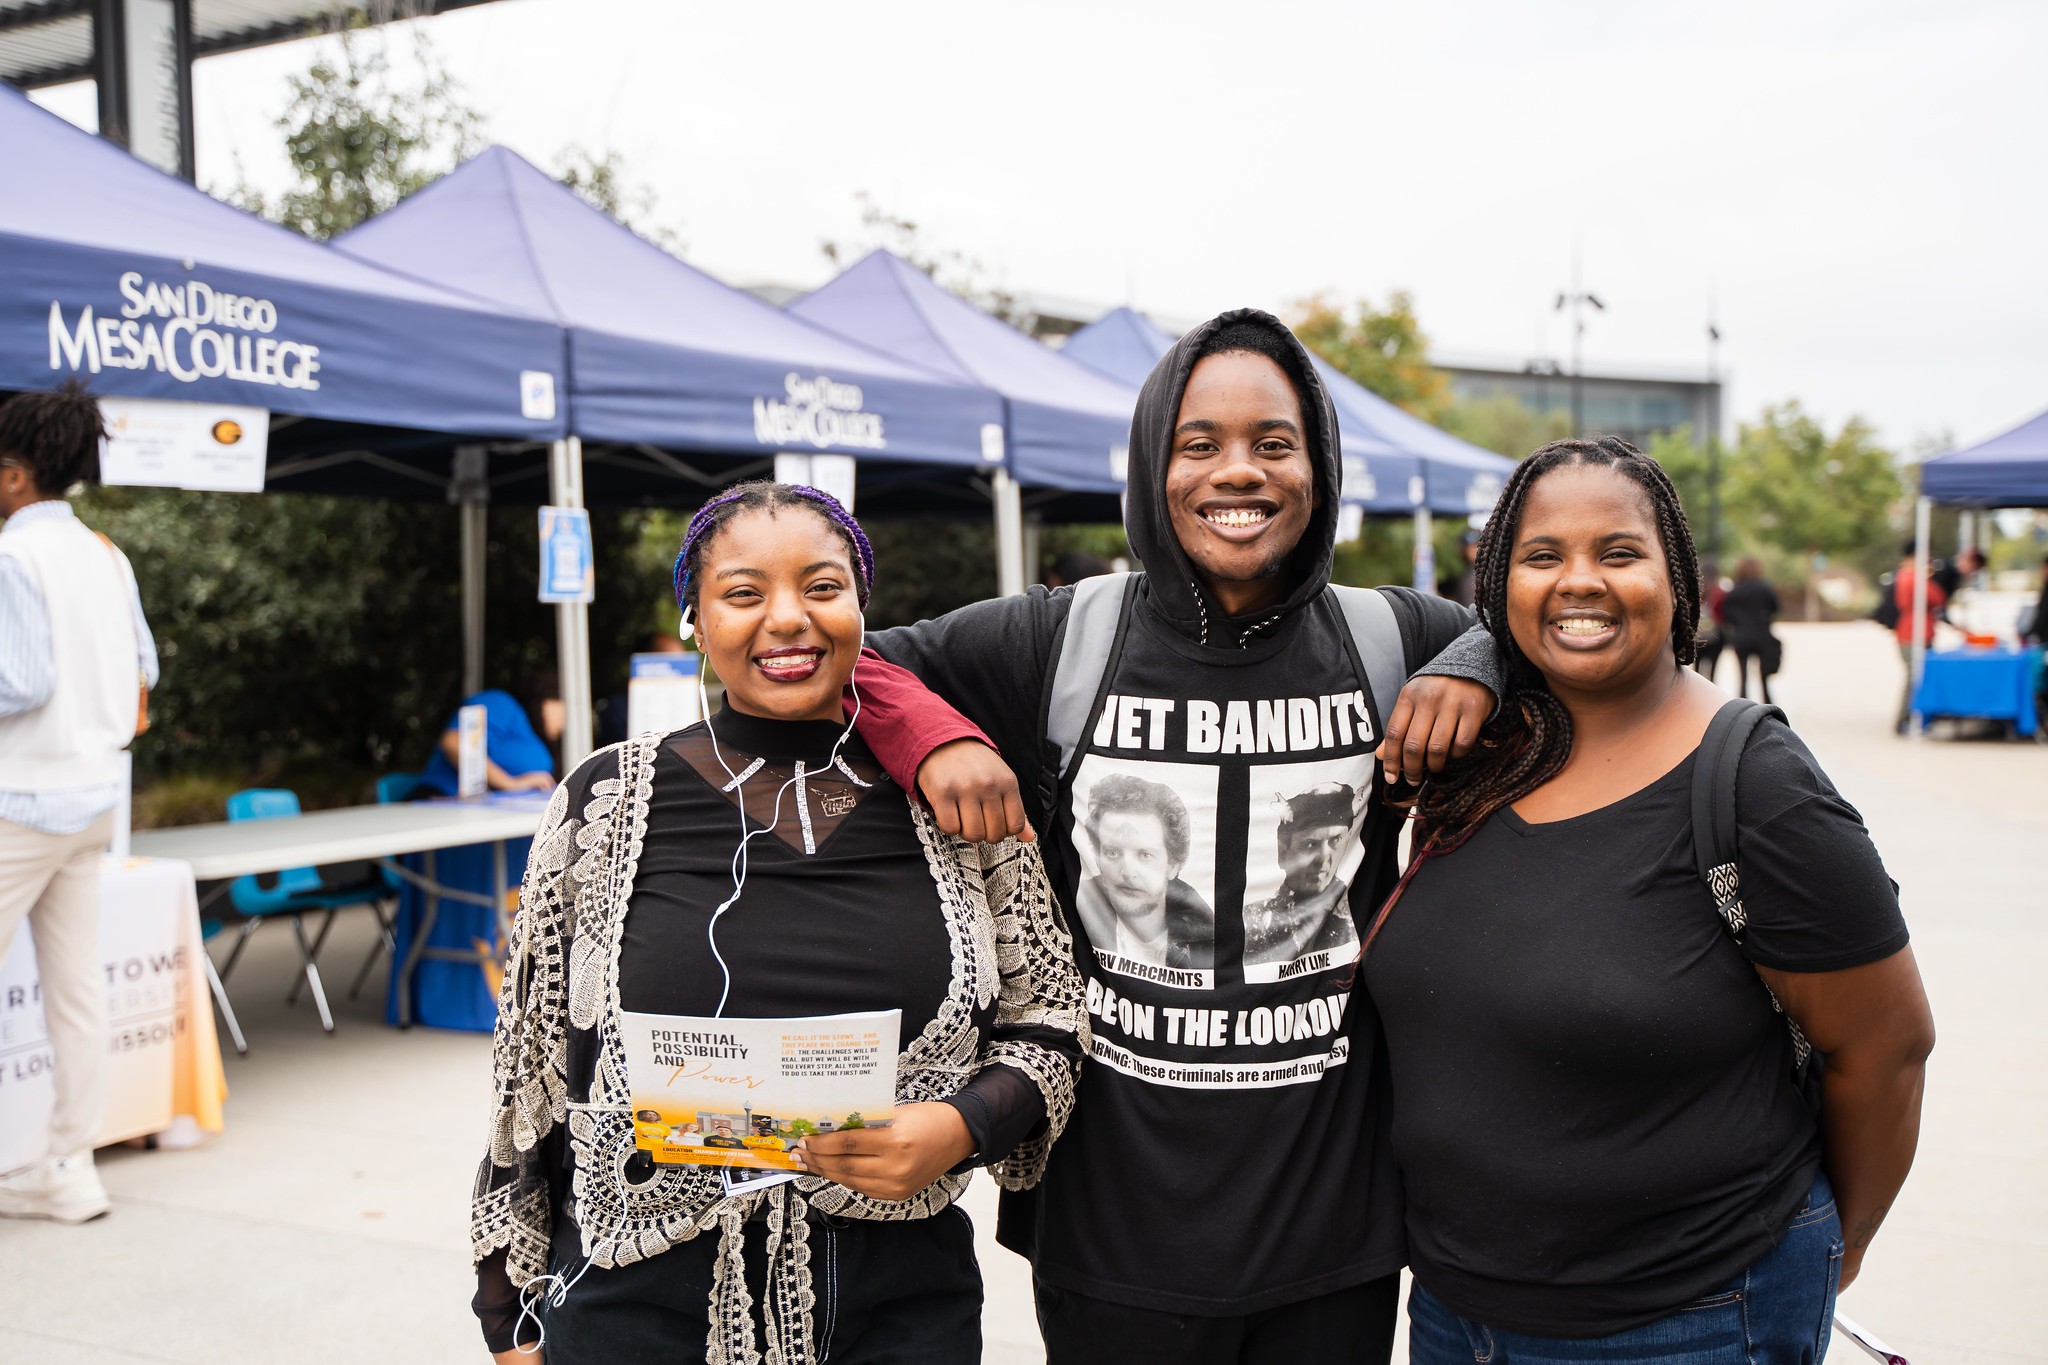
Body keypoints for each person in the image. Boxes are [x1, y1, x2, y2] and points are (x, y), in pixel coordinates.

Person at [847, 309, 1503, 1365]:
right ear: (1153, 463)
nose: (1234, 473)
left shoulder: (1388, 638)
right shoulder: (1061, 637)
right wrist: (933, 738)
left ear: (1319, 467)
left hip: (1332, 1226)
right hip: (1110, 1225)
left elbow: (1537, 629)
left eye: (1272, 443)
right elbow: (847, 657)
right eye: (1197, 444)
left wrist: (1476, 662)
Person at [468, 482, 1085, 1365]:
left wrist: (962, 1124)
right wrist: (508, 1309)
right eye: (745, 592)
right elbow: (525, 1066)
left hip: (896, 1299)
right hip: (637, 1297)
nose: (788, 618)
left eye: (822, 587)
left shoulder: (962, 799)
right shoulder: (603, 800)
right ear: (695, 618)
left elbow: (1052, 1019)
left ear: (861, 610)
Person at [1361, 437, 1935, 1364]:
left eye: (1618, 552)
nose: (1578, 580)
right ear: (1500, 583)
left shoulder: (1753, 777)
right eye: (1542, 556)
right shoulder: (1479, 751)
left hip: (1691, 1316)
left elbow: (1887, 1047)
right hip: (1455, 1314)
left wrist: (1844, 1243)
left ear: (1678, 577)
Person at [0, 382, 158, 1227]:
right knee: (74, 990)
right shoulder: (107, 554)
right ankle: (70, 1165)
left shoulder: (11, 558)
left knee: (70, 989)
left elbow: (18, 681)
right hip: (95, 795)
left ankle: (64, 1167)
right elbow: (148, 670)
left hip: (20, 800)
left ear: (17, 475)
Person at [1073, 771, 1214, 969]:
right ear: (1097, 857)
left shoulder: (1210, 944)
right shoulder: (1068, 914)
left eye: (1145, 855)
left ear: (1173, 865)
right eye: (1113, 853)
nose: (1127, 872)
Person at [1243, 783, 1364, 967]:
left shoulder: (1356, 914)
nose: (1324, 857)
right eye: (1311, 844)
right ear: (1282, 852)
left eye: (1335, 840)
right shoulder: (1252, 922)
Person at [419, 672, 562, 795]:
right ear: (550, 698)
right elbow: (453, 743)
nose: (566, 723)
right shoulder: (501, 703)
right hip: (441, 802)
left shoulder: (534, 737)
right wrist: (510, 784)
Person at [1891, 541, 1946, 735]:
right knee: (1915, 676)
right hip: (1914, 633)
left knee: (1915, 676)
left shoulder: (1903, 575)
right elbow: (1937, 597)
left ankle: (1909, 718)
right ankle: (1905, 719)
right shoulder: (1914, 576)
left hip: (1912, 631)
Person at [1720, 557, 1782, 702]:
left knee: (1742, 676)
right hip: (1762, 636)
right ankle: (1767, 703)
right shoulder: (1765, 589)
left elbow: (1726, 613)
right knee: (1764, 677)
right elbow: (1775, 608)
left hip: (1741, 636)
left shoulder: (1735, 591)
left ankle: (1744, 704)